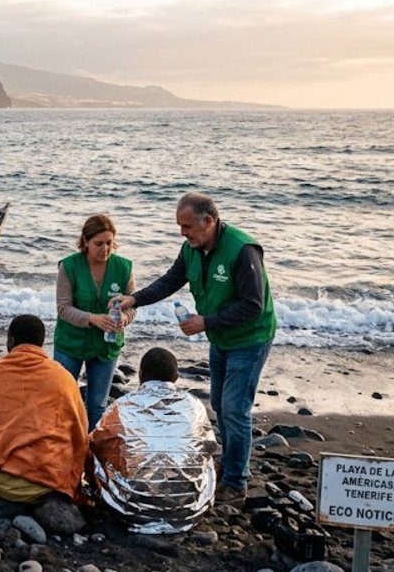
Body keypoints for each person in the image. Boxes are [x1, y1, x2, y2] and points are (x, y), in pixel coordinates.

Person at [112, 192, 276, 502]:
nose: (183, 233)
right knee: (219, 402)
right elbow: (170, 280)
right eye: (180, 226)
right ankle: (230, 466)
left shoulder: (242, 250)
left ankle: (236, 481)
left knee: (234, 408)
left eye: (187, 226)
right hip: (222, 337)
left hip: (251, 337)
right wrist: (135, 299)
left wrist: (206, 322)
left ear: (209, 221)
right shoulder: (192, 249)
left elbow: (254, 305)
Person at [0, 314, 89, 506]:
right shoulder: (63, 377)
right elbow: (80, 436)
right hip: (51, 483)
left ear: (11, 340)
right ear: (41, 343)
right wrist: (74, 480)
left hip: (2, 486)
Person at [90, 347, 217, 533]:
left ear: (141, 374)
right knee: (205, 450)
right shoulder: (194, 405)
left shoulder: (123, 405)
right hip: (188, 512)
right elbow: (209, 447)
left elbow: (96, 443)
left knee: (95, 446)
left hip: (131, 510)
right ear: (176, 377)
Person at [53, 214, 137, 429]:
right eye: (99, 244)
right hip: (70, 344)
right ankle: (63, 449)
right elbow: (63, 309)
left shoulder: (124, 268)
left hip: (106, 345)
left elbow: (132, 306)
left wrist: (124, 319)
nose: (105, 249)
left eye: (109, 243)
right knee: (64, 403)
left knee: (97, 406)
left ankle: (92, 454)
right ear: (85, 242)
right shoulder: (69, 266)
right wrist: (92, 318)